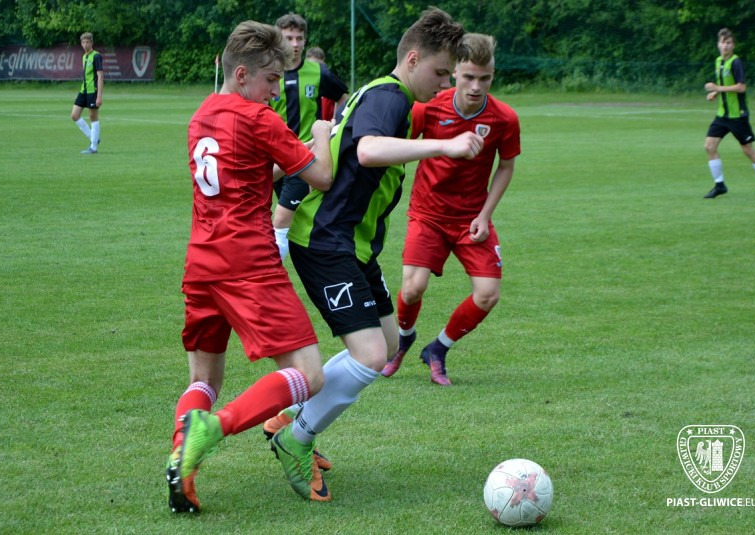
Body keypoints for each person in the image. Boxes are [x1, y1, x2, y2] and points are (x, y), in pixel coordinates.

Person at [263, 7, 483, 502]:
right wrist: (442, 147)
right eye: (441, 72)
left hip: (355, 245)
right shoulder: (390, 95)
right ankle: (297, 437)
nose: (445, 83)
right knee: (370, 356)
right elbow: (366, 150)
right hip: (326, 240)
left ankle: (292, 414)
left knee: (385, 344)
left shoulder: (386, 95)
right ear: (413, 59)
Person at [165, 20, 335, 513]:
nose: (274, 93)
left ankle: (181, 456)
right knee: (309, 374)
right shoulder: (260, 118)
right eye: (270, 81)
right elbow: (322, 177)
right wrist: (321, 135)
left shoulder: (201, 115)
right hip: (249, 263)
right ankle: (211, 429)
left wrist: (291, 155)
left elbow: (247, 167)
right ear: (242, 74)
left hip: (201, 262)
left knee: (204, 380)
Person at [381, 33, 520, 386]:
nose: (476, 86)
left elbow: (506, 166)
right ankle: (404, 339)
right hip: (427, 213)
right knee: (412, 289)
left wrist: (485, 215)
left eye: (485, 78)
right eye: (469, 76)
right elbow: (397, 146)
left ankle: (438, 349)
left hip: (471, 218)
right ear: (455, 71)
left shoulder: (504, 118)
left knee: (488, 294)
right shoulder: (428, 107)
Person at [271, 13, 349, 260]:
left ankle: (265, 276)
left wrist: (334, 126)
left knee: (280, 221)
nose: (295, 44)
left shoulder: (317, 72)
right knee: (298, 225)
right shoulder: (269, 74)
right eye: (289, 38)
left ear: (305, 41)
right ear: (279, 39)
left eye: (299, 38)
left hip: (304, 160)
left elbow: (343, 98)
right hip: (275, 161)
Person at [703, 28, 755, 199]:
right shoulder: (718, 61)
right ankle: (719, 185)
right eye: (723, 42)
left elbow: (741, 87)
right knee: (709, 146)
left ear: (733, 45)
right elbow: (725, 84)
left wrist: (718, 88)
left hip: (738, 115)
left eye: (729, 43)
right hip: (723, 115)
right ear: (718, 44)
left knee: (748, 150)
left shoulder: (736, 63)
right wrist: (716, 93)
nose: (725, 46)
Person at [70, 32, 103, 154]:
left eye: (87, 42)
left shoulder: (96, 56)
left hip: (92, 91)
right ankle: (94, 138)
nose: (85, 44)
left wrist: (99, 96)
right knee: (74, 115)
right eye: (83, 42)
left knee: (93, 117)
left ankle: (93, 147)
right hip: (83, 90)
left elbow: (100, 76)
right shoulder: (84, 56)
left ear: (92, 43)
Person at [305, 46, 337, 121]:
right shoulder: (303, 83)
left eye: (318, 66)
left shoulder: (328, 82)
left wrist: (334, 120)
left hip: (327, 124)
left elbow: (340, 99)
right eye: (311, 65)